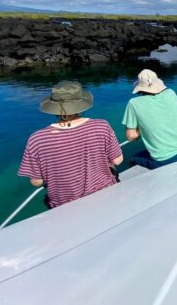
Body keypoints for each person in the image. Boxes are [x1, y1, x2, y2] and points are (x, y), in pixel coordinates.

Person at [18, 81, 123, 209]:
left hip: (65, 204)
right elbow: (117, 160)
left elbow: (36, 182)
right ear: (81, 104)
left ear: (53, 107)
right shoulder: (101, 126)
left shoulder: (37, 139)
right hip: (106, 192)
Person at [122, 69, 177, 169]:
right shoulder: (171, 93)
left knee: (133, 159)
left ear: (139, 87)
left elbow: (130, 136)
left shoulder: (133, 103)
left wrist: (144, 127)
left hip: (164, 160)